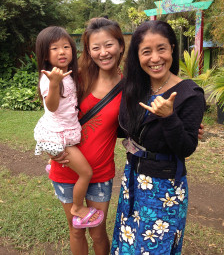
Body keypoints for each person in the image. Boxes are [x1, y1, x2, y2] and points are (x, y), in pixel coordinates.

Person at [110, 20, 206, 255]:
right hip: (132, 178)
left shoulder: (189, 93)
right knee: (128, 239)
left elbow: (185, 148)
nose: (155, 58)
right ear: (138, 56)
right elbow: (125, 129)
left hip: (164, 187)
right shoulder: (136, 88)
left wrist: (169, 118)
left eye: (161, 48)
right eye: (146, 51)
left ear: (172, 48)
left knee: (155, 247)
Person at [47, 18, 125, 255]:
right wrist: (51, 147)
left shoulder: (128, 86)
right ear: (88, 51)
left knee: (98, 232)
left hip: (100, 173)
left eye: (109, 45)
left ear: (121, 45)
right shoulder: (74, 79)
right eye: (96, 47)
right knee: (76, 230)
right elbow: (51, 114)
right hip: (65, 168)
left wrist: (184, 121)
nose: (103, 53)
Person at [34, 26, 104, 229]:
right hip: (59, 136)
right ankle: (77, 208)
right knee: (86, 173)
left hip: (63, 130)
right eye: (54, 48)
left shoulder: (69, 73)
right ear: (45, 55)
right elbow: (52, 106)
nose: (62, 51)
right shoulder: (49, 78)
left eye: (66, 46)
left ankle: (52, 162)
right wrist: (54, 84)